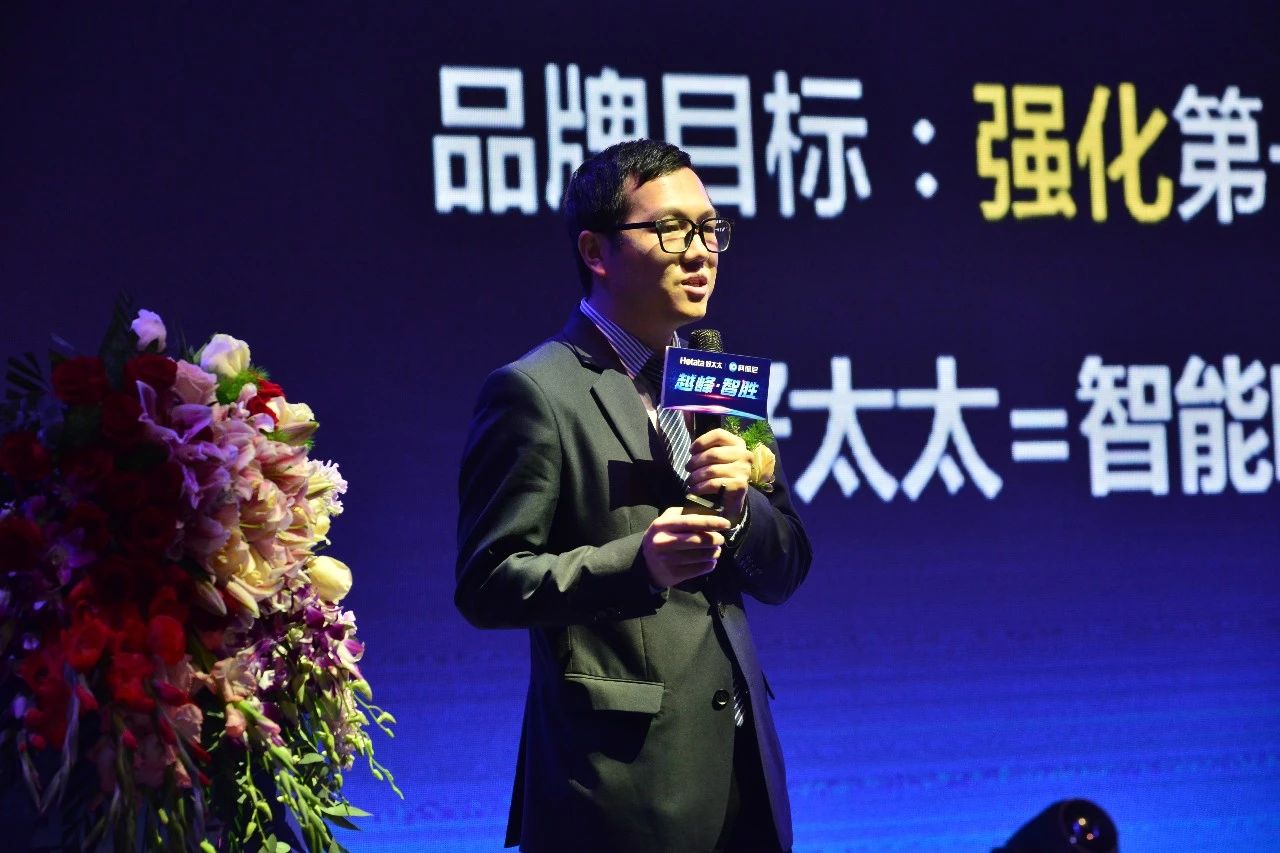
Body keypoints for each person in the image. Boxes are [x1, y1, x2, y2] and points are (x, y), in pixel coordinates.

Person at [455, 138, 812, 853]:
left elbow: (787, 567)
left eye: (710, 229)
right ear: (596, 251)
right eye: (672, 229)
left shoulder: (714, 375)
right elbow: (488, 584)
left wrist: (742, 510)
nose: (701, 251)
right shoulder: (535, 391)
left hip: (743, 771)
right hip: (616, 789)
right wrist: (638, 564)